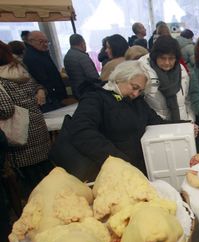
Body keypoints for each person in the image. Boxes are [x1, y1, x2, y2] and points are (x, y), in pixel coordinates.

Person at [49, 61, 191, 181]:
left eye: (140, 91)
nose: (136, 94)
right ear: (119, 78)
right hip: (106, 172)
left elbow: (156, 123)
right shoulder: (95, 98)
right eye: (134, 87)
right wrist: (117, 160)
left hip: (135, 170)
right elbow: (82, 132)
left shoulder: (136, 101)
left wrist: (185, 126)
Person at [0, 40, 52, 196]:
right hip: (37, 125)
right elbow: (38, 87)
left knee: (33, 183)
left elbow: (6, 108)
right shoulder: (19, 69)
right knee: (46, 171)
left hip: (20, 134)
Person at [139, 35, 195, 121]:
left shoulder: (182, 70)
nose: (167, 62)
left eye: (171, 58)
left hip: (182, 122)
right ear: (155, 56)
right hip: (156, 124)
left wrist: (191, 121)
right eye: (162, 58)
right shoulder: (143, 70)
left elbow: (188, 99)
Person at [23, 31, 67, 112]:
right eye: (41, 41)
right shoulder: (31, 57)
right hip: (47, 98)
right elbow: (41, 79)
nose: (45, 44)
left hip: (52, 95)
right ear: (31, 41)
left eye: (47, 41)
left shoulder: (42, 53)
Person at [63, 34, 100, 99]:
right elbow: (93, 76)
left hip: (76, 91)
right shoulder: (82, 57)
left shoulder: (67, 56)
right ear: (82, 43)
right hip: (88, 91)